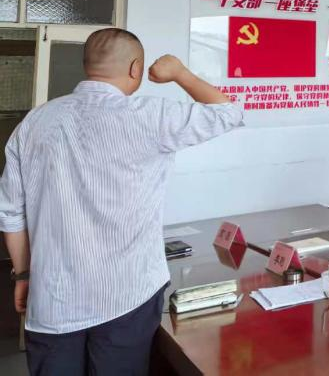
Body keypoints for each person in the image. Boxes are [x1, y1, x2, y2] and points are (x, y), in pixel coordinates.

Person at [0, 28, 244, 376]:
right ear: (135, 69)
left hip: (53, 298)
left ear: (87, 66)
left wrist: (23, 274)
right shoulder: (150, 115)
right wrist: (179, 73)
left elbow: (11, 213)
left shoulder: (34, 122)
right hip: (126, 295)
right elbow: (228, 113)